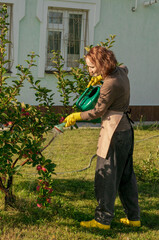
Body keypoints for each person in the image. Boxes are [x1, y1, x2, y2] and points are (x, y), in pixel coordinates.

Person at [63, 46, 141, 230]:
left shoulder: (109, 84)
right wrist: (100, 74)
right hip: (127, 130)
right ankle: (134, 217)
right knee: (126, 176)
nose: (90, 71)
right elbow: (125, 66)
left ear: (101, 64)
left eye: (91, 67)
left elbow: (97, 111)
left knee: (105, 175)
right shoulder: (120, 72)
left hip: (113, 131)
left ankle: (102, 220)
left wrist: (76, 116)